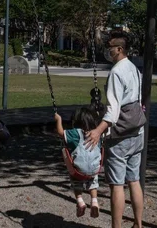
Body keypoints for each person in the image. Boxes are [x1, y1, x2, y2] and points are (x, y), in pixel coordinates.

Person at [84, 33, 144, 228]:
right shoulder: (134, 68)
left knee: (117, 184)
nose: (107, 50)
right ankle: (138, 223)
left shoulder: (116, 72)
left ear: (119, 49)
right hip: (137, 130)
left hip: (121, 135)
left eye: (110, 46)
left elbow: (113, 110)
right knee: (134, 180)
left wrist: (98, 131)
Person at [55, 105, 103, 218]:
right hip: (95, 169)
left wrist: (58, 120)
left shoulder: (76, 133)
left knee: (75, 178)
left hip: (79, 170)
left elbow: (60, 133)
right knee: (93, 181)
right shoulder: (97, 134)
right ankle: (94, 201)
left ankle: (80, 201)